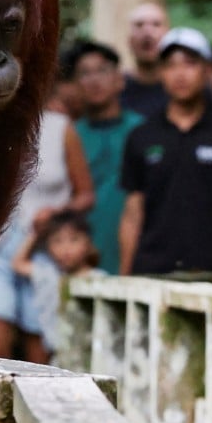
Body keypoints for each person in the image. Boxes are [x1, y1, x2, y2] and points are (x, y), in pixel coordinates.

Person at [119, 27, 212, 277]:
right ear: (161, 73)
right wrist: (125, 275)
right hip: (151, 268)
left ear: (207, 71)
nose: (180, 74)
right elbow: (133, 212)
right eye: (170, 65)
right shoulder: (142, 135)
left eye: (189, 64)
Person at [0, 105, 96, 363]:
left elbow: (86, 195)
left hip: (47, 255)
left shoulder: (61, 127)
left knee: (41, 354)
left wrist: (57, 213)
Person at [72, 39, 144, 275]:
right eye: (84, 73)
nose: (94, 80)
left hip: (138, 250)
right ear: (75, 84)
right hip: (80, 255)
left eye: (102, 71)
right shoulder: (70, 135)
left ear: (120, 80)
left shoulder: (143, 130)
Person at [13, 210, 105, 358]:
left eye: (74, 240)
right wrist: (36, 234)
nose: (65, 249)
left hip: (93, 355)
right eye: (57, 241)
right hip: (60, 356)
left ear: (88, 243)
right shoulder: (50, 276)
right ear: (48, 246)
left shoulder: (99, 279)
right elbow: (18, 264)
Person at [119, 2, 169, 117]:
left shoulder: (182, 88)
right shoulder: (115, 90)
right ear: (129, 40)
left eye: (156, 24)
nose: (147, 32)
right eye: (139, 25)